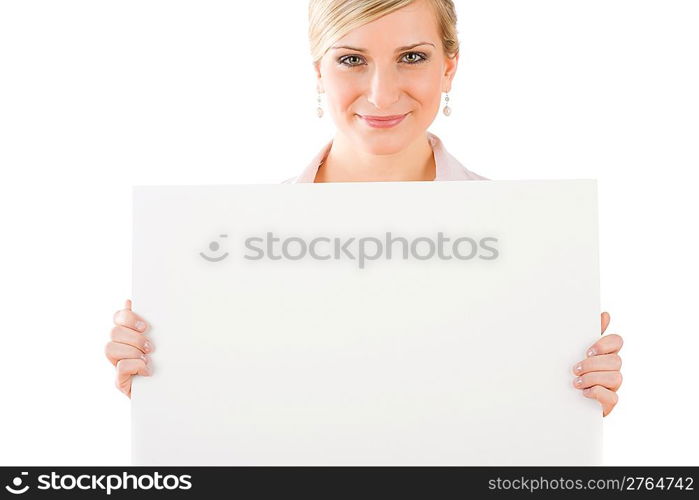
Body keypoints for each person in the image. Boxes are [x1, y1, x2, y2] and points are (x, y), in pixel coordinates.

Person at [105, 0, 624, 417]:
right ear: (318, 72)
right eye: (352, 59)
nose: (381, 93)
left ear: (449, 67)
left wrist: (570, 399)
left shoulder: (534, 240)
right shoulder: (228, 247)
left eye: (412, 57)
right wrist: (167, 388)